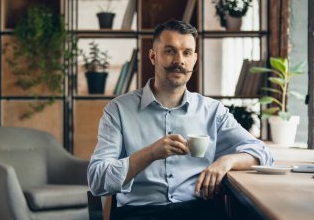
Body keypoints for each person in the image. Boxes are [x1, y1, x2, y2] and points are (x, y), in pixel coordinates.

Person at [88, 19, 274, 220]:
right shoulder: (118, 110)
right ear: (153, 56)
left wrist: (226, 161)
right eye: (170, 51)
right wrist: (150, 153)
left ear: (194, 59)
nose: (179, 60)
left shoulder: (213, 111)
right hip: (140, 213)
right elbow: (97, 180)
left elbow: (262, 153)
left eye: (186, 53)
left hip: (198, 211)